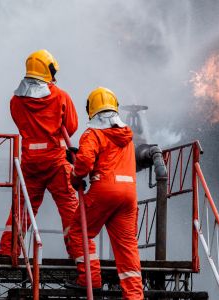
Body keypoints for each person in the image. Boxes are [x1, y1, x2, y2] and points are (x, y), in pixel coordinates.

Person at [0, 49, 81, 258]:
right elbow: (71, 125)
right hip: (55, 160)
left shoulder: (16, 100)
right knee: (69, 206)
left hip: (30, 162)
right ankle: (78, 251)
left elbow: (19, 123)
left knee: (24, 205)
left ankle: (9, 249)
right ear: (47, 71)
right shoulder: (60, 96)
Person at [66, 87, 143, 299]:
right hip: (128, 195)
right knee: (127, 249)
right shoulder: (126, 135)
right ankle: (134, 296)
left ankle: (90, 280)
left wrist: (75, 178)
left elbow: (84, 164)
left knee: (79, 232)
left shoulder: (93, 134)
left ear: (91, 110)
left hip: (105, 191)